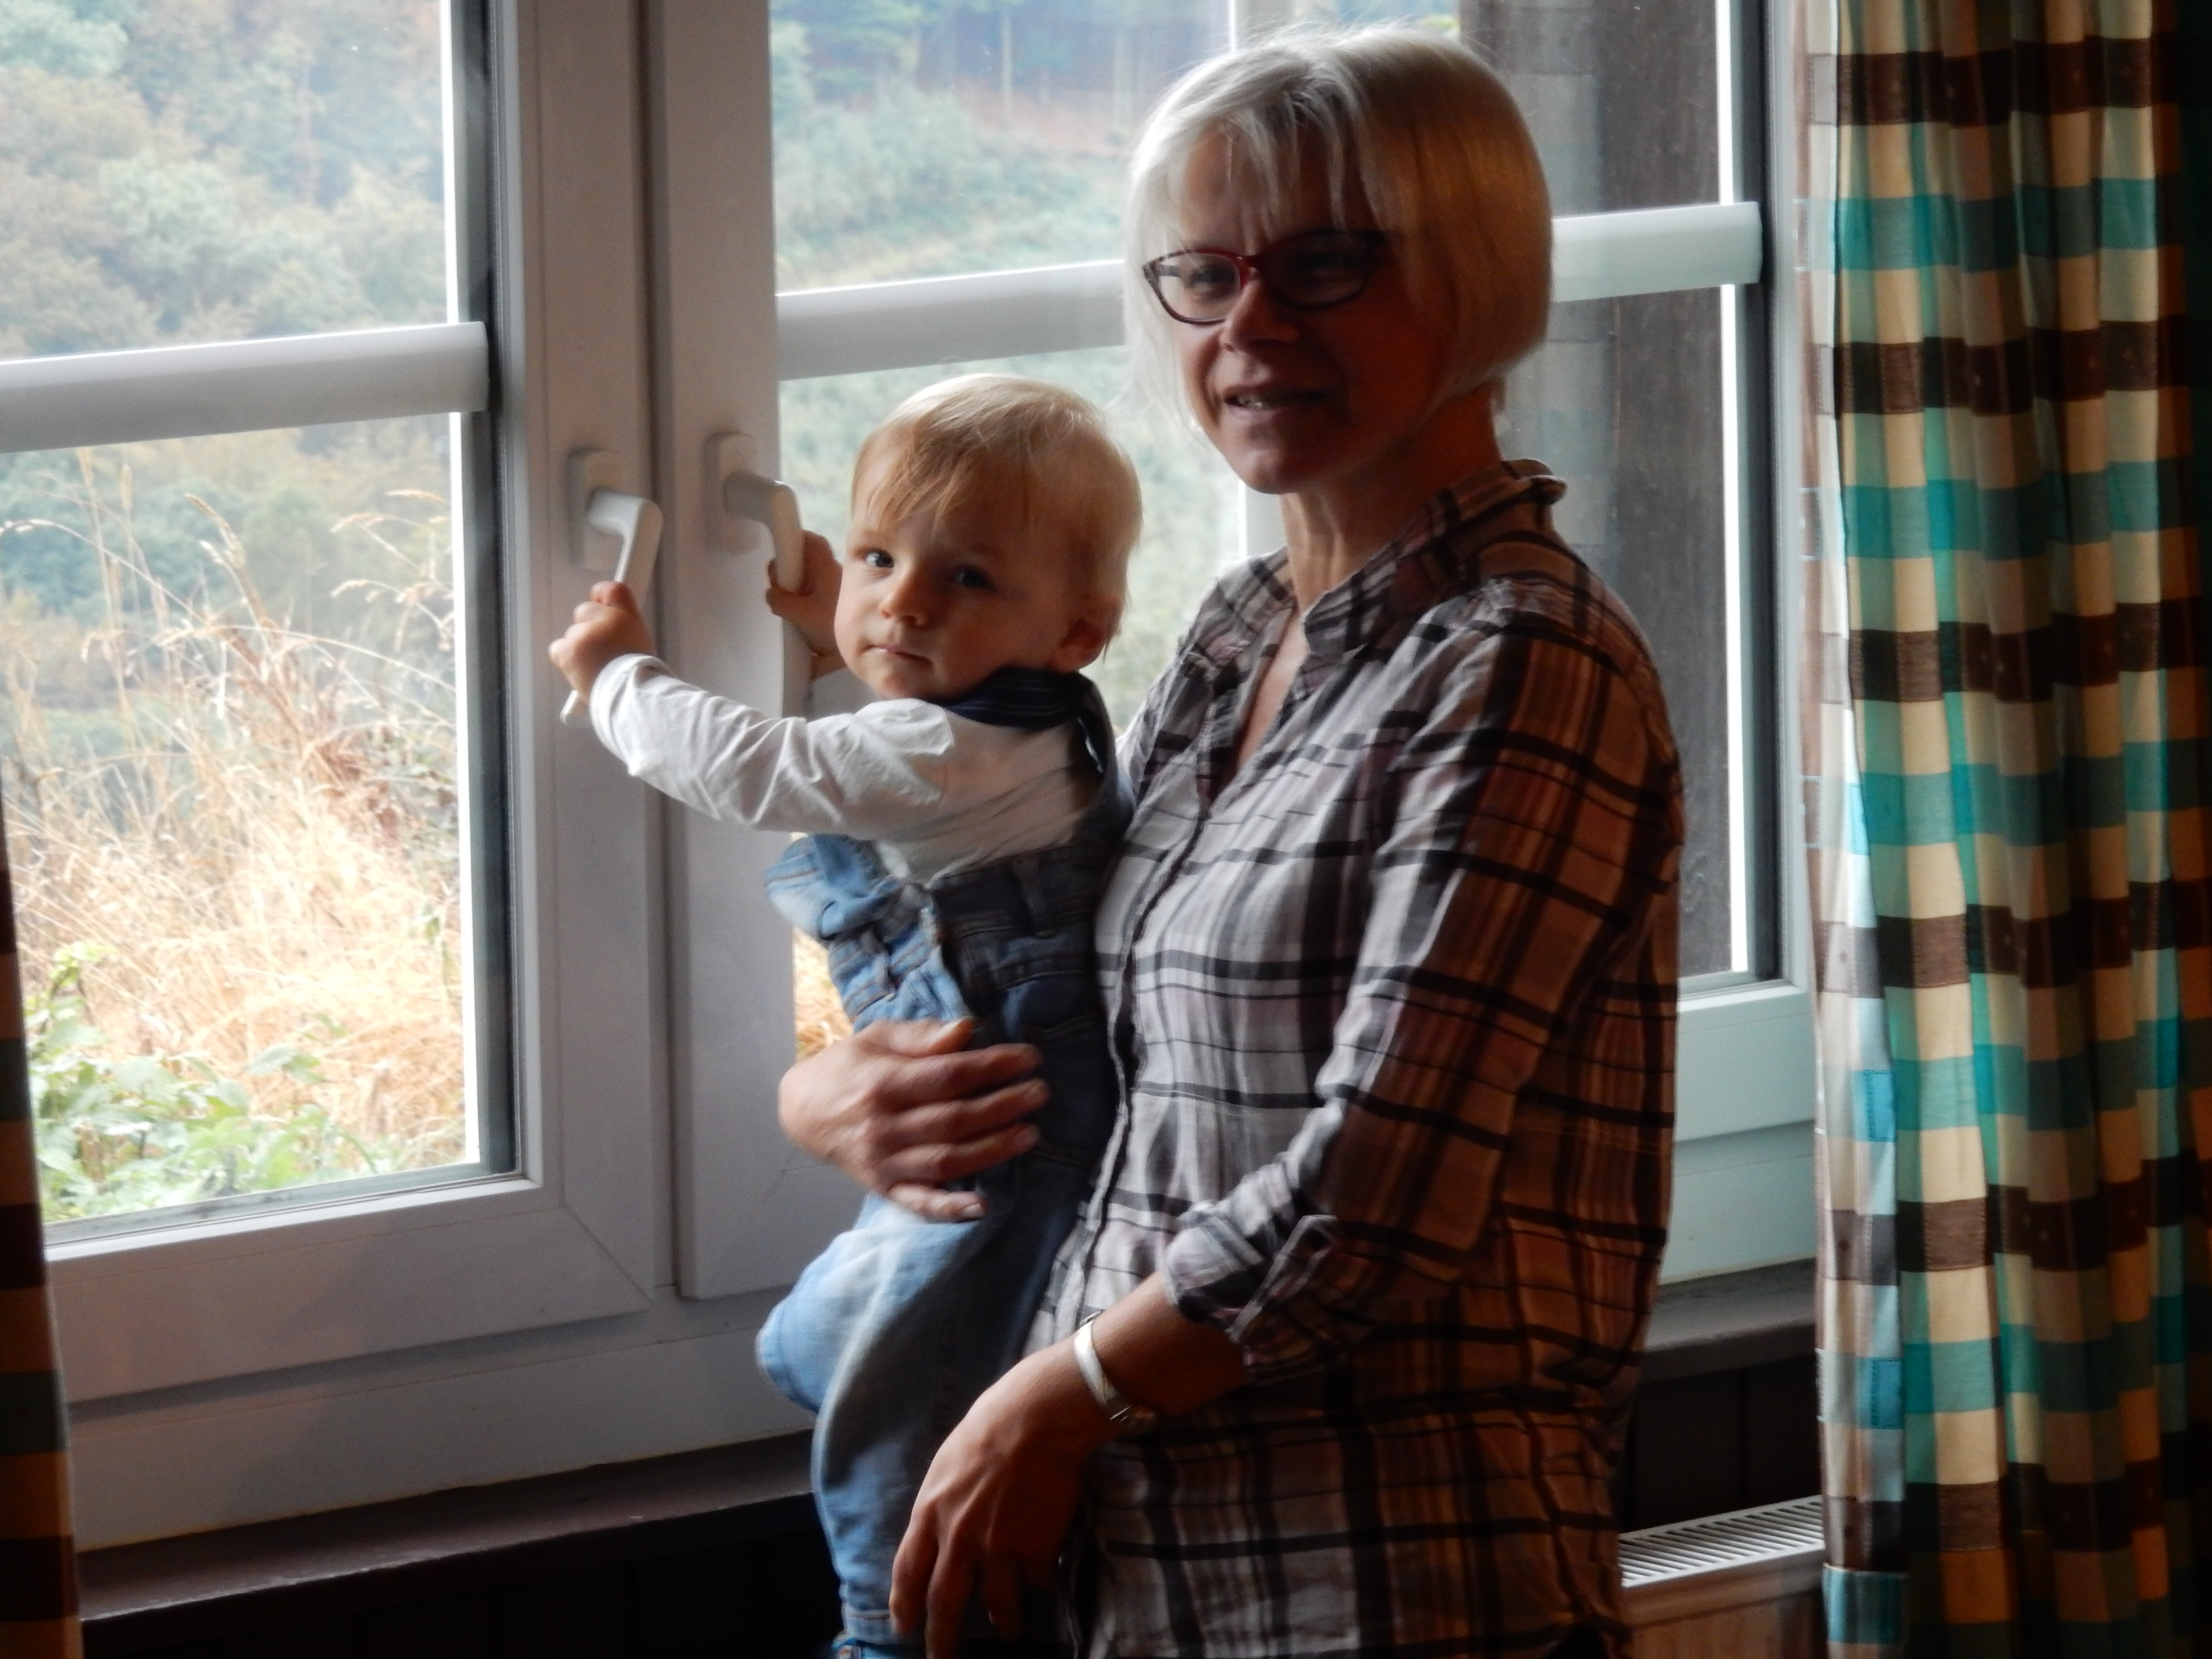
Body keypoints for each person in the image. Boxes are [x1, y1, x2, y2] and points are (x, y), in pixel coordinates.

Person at [774, 26, 1684, 1659]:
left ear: (1471, 274)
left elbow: (1377, 1193)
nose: (1248, 329)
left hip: (1386, 1576)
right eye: (1204, 275)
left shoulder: (1521, 661)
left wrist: (1051, 1402)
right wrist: (837, 1094)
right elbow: (1083, 1006)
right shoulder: (1240, 628)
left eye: (1324, 265)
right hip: (1134, 1570)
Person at [547, 374, 1144, 1659]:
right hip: (1004, 1112)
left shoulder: (947, 755)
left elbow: (771, 769)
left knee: (893, 1404)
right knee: (853, 1338)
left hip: (1002, 1142)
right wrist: (836, 633)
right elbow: (884, 758)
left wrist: (616, 678)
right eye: (881, 557)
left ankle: (888, 1624)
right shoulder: (1009, 728)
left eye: (966, 578)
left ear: (1077, 631)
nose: (907, 601)